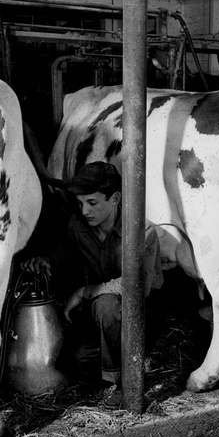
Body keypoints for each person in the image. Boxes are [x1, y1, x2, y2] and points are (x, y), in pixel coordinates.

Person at [24, 162, 163, 408]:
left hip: (143, 311)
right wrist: (43, 260)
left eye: (92, 202)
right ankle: (108, 365)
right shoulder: (78, 226)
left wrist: (85, 292)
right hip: (100, 313)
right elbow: (65, 252)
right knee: (78, 360)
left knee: (106, 305)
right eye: (79, 203)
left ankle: (125, 383)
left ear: (115, 198)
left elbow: (138, 285)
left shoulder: (143, 231)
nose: (84, 210)